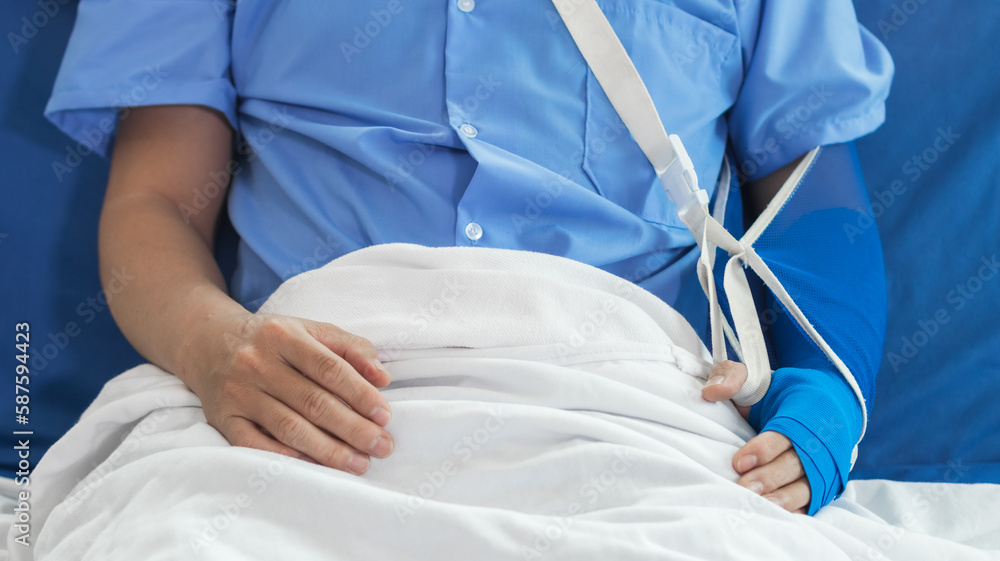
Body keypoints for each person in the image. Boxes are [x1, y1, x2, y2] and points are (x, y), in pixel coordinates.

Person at [45, 1, 892, 515]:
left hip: (626, 406)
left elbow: (816, 203)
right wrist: (214, 348)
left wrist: (825, 393)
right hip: (300, 401)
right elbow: (155, 201)